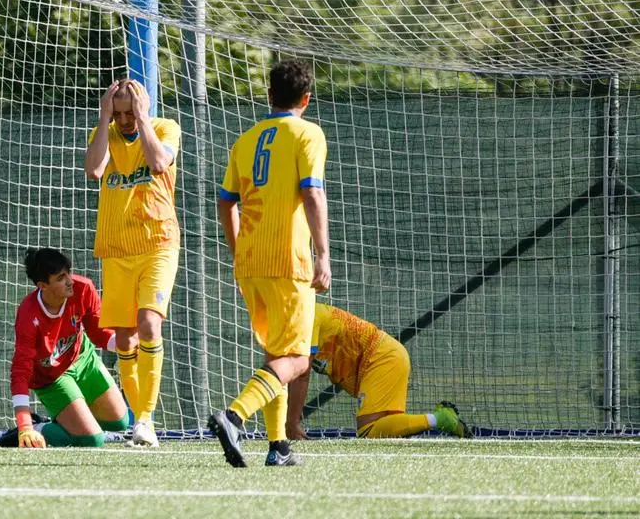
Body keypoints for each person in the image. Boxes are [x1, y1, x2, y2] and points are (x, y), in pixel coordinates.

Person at [210, 59, 331, 467]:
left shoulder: (245, 140)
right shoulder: (307, 133)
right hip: (288, 259)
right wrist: (323, 254)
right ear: (306, 99)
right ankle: (234, 416)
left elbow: (226, 201)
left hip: (250, 261)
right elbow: (312, 193)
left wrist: (237, 246)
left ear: (269, 96)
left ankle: (277, 446)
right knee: (297, 359)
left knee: (276, 355)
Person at [84, 78, 181, 447]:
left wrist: (142, 121)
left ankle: (144, 417)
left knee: (149, 324)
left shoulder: (164, 128)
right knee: (124, 336)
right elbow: (94, 170)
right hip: (117, 247)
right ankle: (141, 424)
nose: (124, 120)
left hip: (158, 242)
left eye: (130, 112)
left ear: (143, 107)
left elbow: (158, 162)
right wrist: (104, 115)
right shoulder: (105, 131)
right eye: (119, 113)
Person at [286, 303, 473, 439]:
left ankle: (441, 419)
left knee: (369, 431)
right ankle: (443, 419)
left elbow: (301, 375)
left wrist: (292, 423)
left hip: (382, 357)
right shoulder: (290, 322)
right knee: (385, 431)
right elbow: (290, 373)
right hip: (383, 358)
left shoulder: (306, 316)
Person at [10, 247, 130, 448]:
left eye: (68, 273)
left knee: (120, 422)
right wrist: (25, 426)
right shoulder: (28, 316)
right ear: (43, 286)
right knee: (93, 440)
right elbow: (20, 372)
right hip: (52, 378)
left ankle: (71, 422)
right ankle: (38, 429)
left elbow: (99, 334)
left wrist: (126, 344)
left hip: (83, 359)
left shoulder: (84, 289)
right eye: (60, 277)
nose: (70, 281)